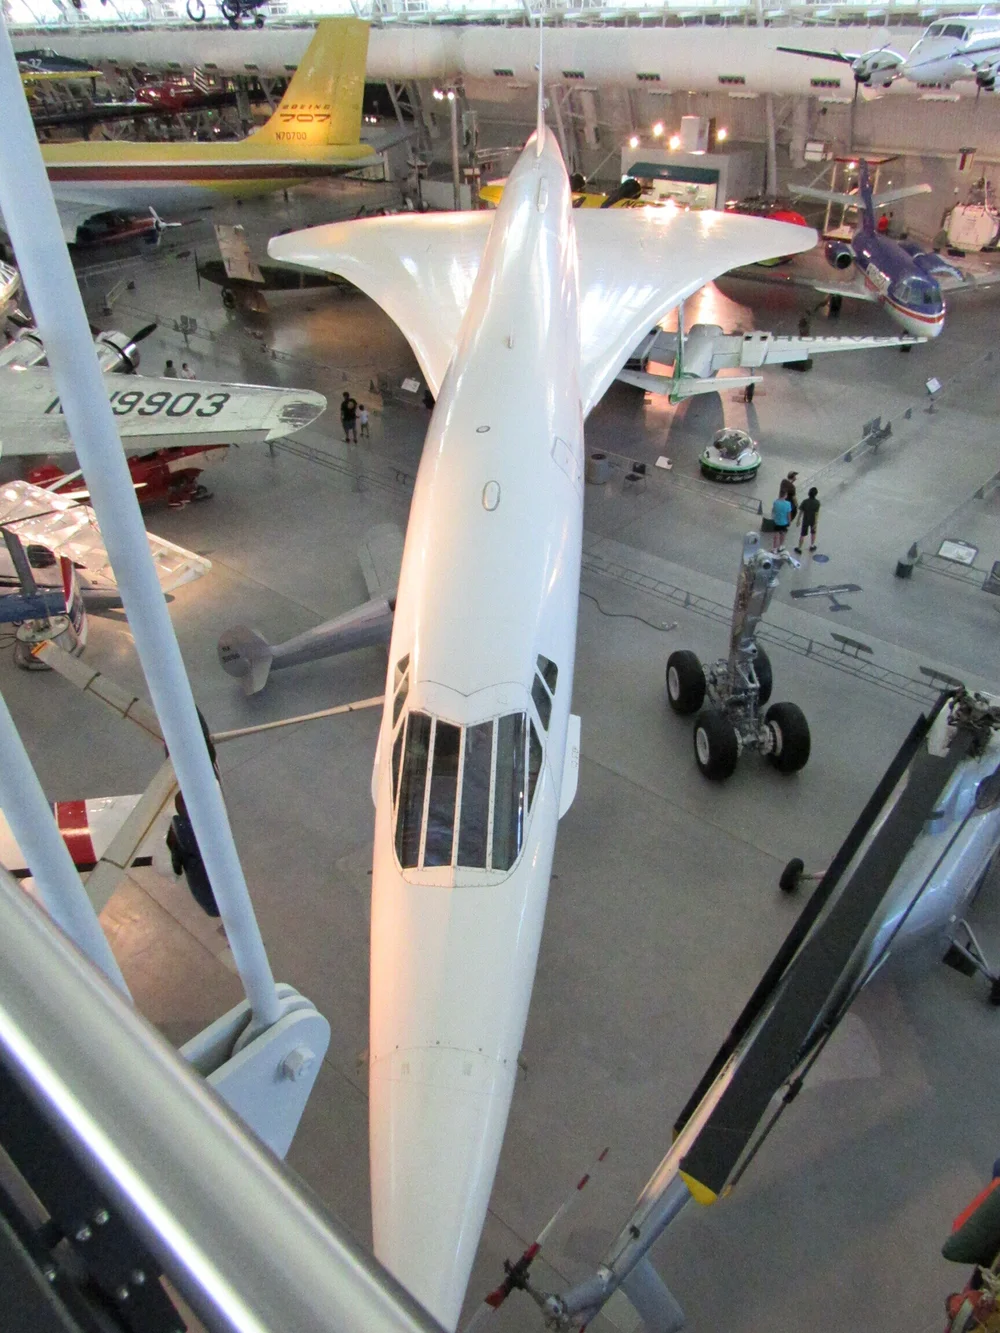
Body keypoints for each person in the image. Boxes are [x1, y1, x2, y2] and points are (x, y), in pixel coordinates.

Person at [795, 486, 821, 554]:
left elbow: (801, 512)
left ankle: (799, 548)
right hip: (813, 520)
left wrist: (798, 520)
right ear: (816, 494)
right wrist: (815, 523)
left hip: (805, 520)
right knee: (813, 533)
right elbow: (816, 514)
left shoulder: (805, 501)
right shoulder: (817, 503)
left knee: (802, 534)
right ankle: (812, 545)